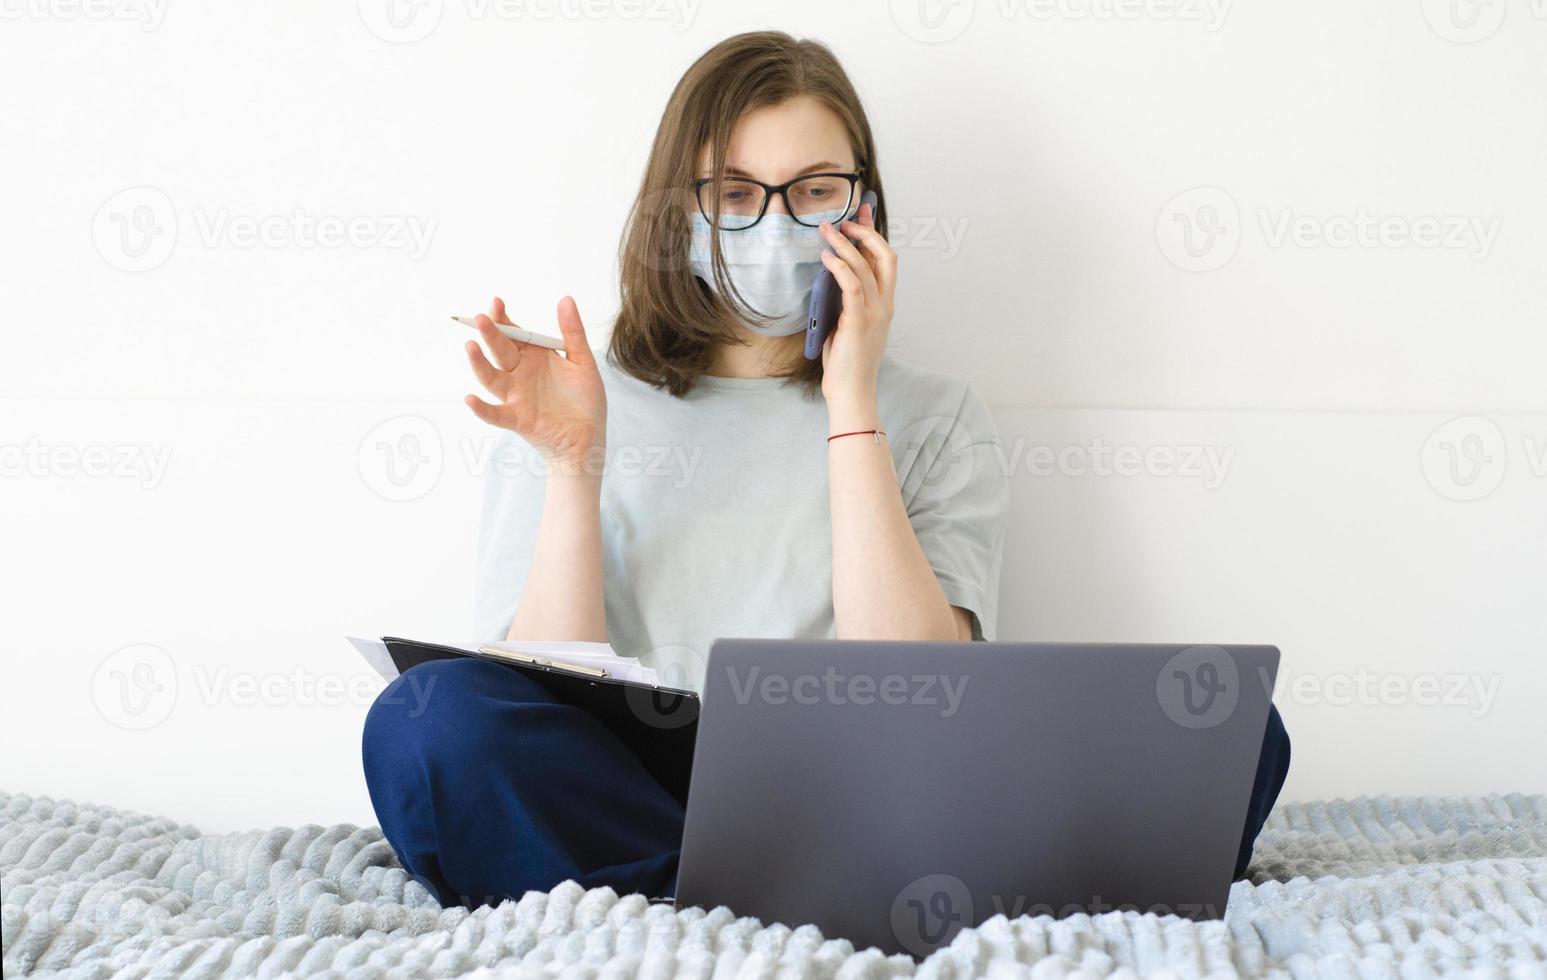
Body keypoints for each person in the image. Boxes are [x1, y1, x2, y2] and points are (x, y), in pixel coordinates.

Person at [362, 30, 1290, 910]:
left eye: (813, 191)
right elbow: (532, 702)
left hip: (874, 798)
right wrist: (572, 466)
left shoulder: (936, 415)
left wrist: (852, 399)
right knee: (429, 719)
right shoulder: (573, 399)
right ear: (674, 216)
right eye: (732, 195)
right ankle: (791, 900)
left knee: (1230, 731)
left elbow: (928, 694)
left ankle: (689, 901)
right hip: (647, 790)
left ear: (865, 209)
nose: (773, 224)